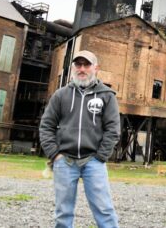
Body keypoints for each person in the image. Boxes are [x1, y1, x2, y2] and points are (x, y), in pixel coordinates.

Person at [40, 50, 120, 228]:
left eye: (87, 65)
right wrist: (55, 154)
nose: (82, 69)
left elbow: (113, 130)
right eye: (78, 65)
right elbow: (46, 126)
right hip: (65, 161)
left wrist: (100, 157)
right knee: (63, 212)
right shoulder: (61, 95)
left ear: (96, 68)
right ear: (73, 68)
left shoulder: (107, 95)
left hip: (93, 161)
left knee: (104, 210)